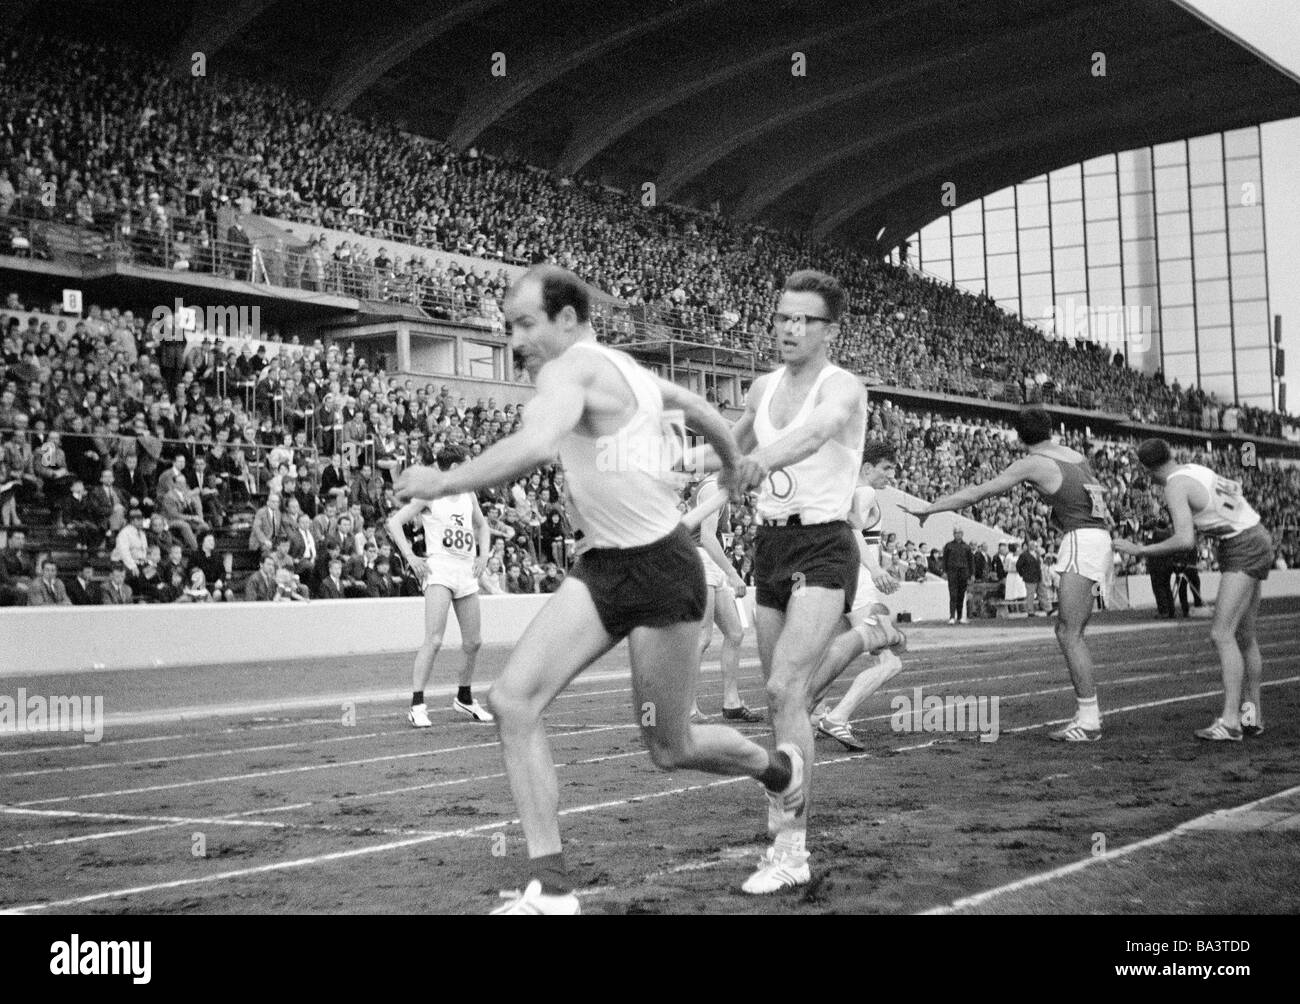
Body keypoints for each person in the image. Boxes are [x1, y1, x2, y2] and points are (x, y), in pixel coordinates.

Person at [394, 264, 777, 915]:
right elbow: (704, 408)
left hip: (661, 569)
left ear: (567, 320)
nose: (514, 339)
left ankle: (777, 772)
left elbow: (538, 442)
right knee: (514, 701)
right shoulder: (625, 369)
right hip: (602, 570)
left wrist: (440, 482)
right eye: (508, 325)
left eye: (524, 323)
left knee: (671, 747)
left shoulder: (568, 369)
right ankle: (551, 887)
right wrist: (736, 465)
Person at [726, 269, 901, 894]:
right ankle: (784, 827)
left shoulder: (842, 386)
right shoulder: (762, 386)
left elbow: (817, 433)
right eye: (782, 317)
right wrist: (673, 460)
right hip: (769, 543)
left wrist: (755, 463)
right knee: (783, 704)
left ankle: (792, 850)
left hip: (824, 543)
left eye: (804, 320)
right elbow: (730, 446)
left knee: (783, 685)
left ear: (829, 329)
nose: (790, 329)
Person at [904, 407, 1111, 741]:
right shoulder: (1075, 455)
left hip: (1082, 539)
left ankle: (1088, 720)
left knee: (1068, 633)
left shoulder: (1033, 462)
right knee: (1075, 633)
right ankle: (1088, 715)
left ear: (1018, 436)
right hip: (1099, 538)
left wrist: (931, 507)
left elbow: (980, 492)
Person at [1114, 438, 1273, 741]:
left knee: (1222, 633)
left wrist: (1139, 549)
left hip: (1241, 544)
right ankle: (1252, 717)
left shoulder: (1174, 485)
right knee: (1245, 636)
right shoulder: (1194, 469)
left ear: (1147, 469)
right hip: (1254, 535)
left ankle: (1231, 722)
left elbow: (1185, 540)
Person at [805, 441, 908, 752]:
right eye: (886, 468)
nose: (891, 475)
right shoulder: (865, 492)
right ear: (867, 468)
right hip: (859, 582)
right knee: (890, 662)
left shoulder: (844, 491)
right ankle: (837, 717)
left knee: (831, 656)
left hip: (840, 579)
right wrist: (875, 568)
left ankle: (807, 716)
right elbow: (853, 530)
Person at [387, 444, 494, 727]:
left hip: (466, 570)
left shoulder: (468, 493)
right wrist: (410, 556)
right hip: (440, 570)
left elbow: (482, 526)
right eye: (467, 463)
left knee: (474, 641)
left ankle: (465, 697)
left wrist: (484, 555)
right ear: (455, 467)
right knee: (434, 639)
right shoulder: (430, 494)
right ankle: (417, 704)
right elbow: (395, 522)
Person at [680, 473, 763, 723]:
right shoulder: (712, 488)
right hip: (699, 561)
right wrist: (733, 573)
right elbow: (706, 536)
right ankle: (687, 708)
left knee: (735, 632)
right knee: (702, 637)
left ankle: (731, 703)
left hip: (711, 563)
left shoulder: (723, 490)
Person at [941, 529, 974, 623]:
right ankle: (952, 617)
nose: (958, 535)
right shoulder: (949, 546)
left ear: (962, 534)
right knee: (953, 595)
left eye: (959, 533)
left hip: (963, 572)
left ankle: (960, 617)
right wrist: (944, 571)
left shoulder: (966, 546)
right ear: (953, 534)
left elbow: (970, 561)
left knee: (961, 595)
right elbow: (944, 559)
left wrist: (972, 574)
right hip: (952, 573)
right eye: (956, 533)